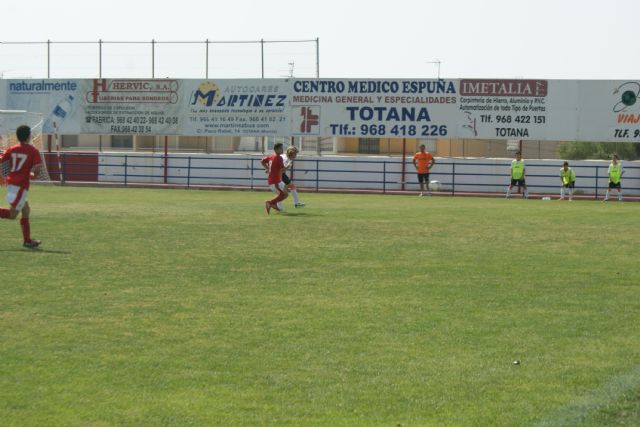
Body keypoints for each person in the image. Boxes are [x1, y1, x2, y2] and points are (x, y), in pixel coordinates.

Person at [0, 125, 46, 248]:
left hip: (12, 184)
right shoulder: (33, 151)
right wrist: (33, 174)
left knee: (26, 210)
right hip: (20, 186)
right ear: (29, 136)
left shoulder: (11, 149)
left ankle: (27, 240)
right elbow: (37, 168)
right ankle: (27, 240)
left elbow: (3, 162)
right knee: (12, 215)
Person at [260, 142, 288, 214]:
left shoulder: (271, 156)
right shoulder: (279, 157)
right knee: (283, 195)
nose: (282, 150)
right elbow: (283, 169)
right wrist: (288, 166)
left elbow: (262, 161)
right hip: (275, 181)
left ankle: (277, 207)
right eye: (281, 148)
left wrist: (268, 168)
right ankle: (270, 202)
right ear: (277, 149)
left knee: (284, 193)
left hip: (274, 181)